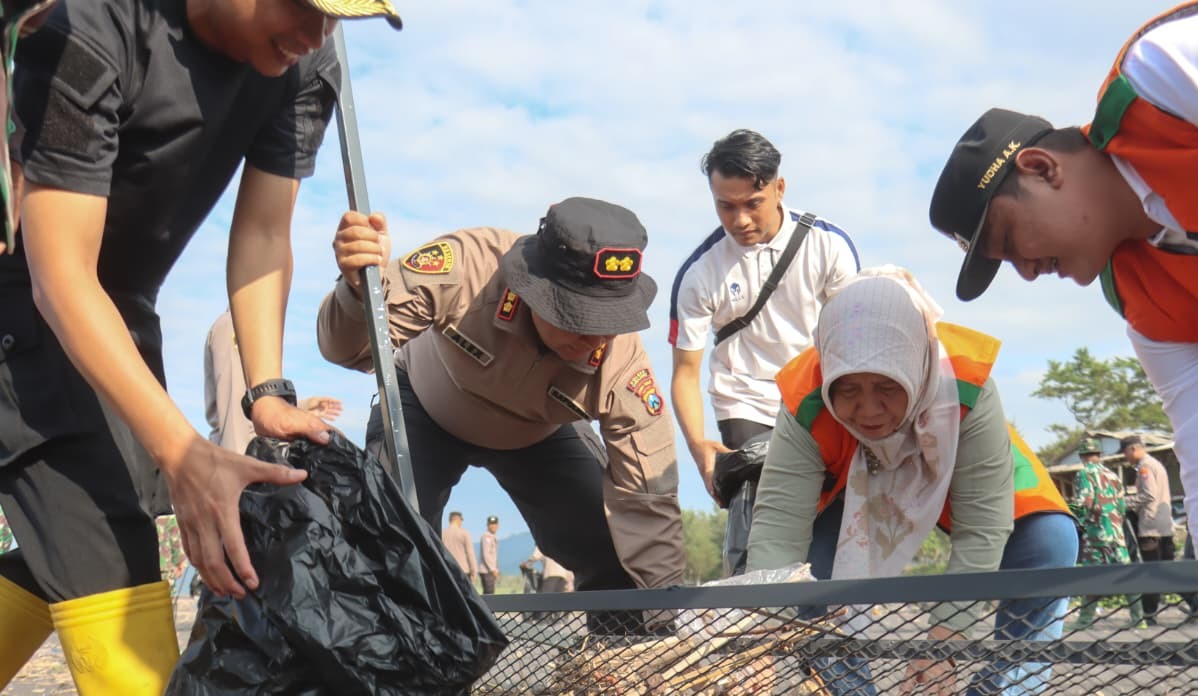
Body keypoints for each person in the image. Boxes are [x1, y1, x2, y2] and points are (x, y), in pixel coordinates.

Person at [0, 1, 402, 693]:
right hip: (25, 307)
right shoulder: (93, 31)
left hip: (123, 319)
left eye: (337, 18)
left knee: (59, 557)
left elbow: (263, 235)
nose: (316, 33)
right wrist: (184, 452)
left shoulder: (305, 63)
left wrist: (269, 392)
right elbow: (59, 274)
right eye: (304, 7)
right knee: (111, 564)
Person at [316, 197, 686, 604]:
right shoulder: (467, 267)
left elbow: (650, 502)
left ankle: (613, 660)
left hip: (539, 435)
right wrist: (356, 289)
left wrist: (663, 621)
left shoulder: (624, 368)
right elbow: (350, 350)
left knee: (616, 547)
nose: (596, 340)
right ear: (533, 290)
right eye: (580, 319)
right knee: (390, 536)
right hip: (424, 405)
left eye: (610, 323)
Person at [928, 3, 1198, 546]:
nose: (1026, 274)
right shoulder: (1143, 305)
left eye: (1008, 242)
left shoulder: (1158, 83)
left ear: (1040, 167)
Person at [748, 268, 1077, 696]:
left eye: (887, 386)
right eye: (847, 389)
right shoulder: (805, 399)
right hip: (853, 488)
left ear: (915, 367)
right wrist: (756, 640)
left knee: (1050, 541)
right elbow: (778, 533)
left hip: (955, 466)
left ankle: (1001, 690)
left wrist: (945, 642)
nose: (869, 410)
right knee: (807, 574)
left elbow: (982, 526)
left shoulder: (963, 383)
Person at [669, 129, 859, 577]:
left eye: (751, 203)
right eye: (725, 205)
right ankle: (751, 611)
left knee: (832, 516)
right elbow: (684, 373)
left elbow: (853, 340)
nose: (739, 219)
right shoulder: (699, 273)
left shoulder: (829, 246)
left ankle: (827, 622)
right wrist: (698, 448)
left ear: (779, 189)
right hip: (746, 400)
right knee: (757, 504)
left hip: (818, 398)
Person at [205, 309, 344, 454]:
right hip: (243, 463)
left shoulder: (248, 326)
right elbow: (235, 424)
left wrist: (301, 408)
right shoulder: (235, 325)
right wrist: (243, 471)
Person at [1066, 437, 1143, 630]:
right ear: (1099, 455)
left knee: (1092, 576)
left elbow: (1084, 503)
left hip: (1096, 534)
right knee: (1127, 574)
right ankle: (1138, 619)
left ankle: (1084, 622)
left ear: (1082, 456)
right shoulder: (1113, 476)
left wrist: (1068, 513)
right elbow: (1122, 506)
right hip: (1116, 533)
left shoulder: (1084, 474)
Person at [1121, 434, 1175, 623]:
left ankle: (1148, 615)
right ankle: (1194, 604)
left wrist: (1122, 502)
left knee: (1151, 573)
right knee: (1171, 572)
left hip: (1151, 528)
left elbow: (1148, 495)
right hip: (1164, 526)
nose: (1126, 458)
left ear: (1132, 449)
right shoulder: (1156, 464)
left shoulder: (1144, 467)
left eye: (1125, 453)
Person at [441, 511, 478, 584]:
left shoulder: (442, 533)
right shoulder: (464, 533)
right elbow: (470, 553)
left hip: (447, 569)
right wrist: (474, 570)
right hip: (463, 570)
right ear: (458, 519)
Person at [479, 515, 500, 594]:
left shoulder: (493, 537)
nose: (493, 526)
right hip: (487, 571)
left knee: (490, 593)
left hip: (490, 570)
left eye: (495, 524)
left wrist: (496, 569)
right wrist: (493, 569)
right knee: (489, 594)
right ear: (488, 525)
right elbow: (486, 555)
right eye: (491, 524)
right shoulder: (486, 537)